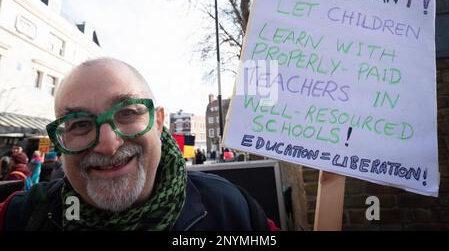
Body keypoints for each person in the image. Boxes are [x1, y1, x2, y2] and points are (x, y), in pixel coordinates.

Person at [0, 58, 277, 231]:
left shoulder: (232, 210)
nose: (108, 145)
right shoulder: (22, 216)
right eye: (79, 124)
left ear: (158, 122)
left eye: (128, 113)